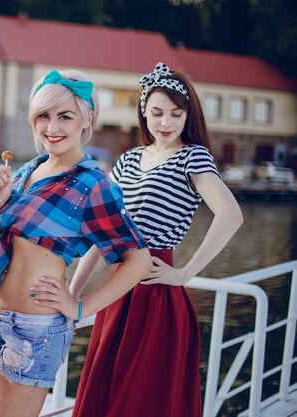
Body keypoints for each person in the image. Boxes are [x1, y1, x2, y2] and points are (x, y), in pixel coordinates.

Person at [67, 62, 244, 417]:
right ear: (143, 113)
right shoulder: (129, 160)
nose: (165, 123)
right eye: (157, 113)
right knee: (108, 383)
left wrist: (184, 274)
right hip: (117, 287)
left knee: (140, 396)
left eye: (176, 114)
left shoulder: (191, 157)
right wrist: (73, 297)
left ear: (187, 116)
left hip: (154, 288)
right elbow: (103, 234)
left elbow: (231, 215)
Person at [0, 69, 152, 417]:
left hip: (36, 329)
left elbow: (138, 260)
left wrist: (82, 307)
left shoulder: (92, 184)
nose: (51, 127)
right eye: (43, 115)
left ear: (87, 118)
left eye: (65, 116)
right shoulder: (30, 170)